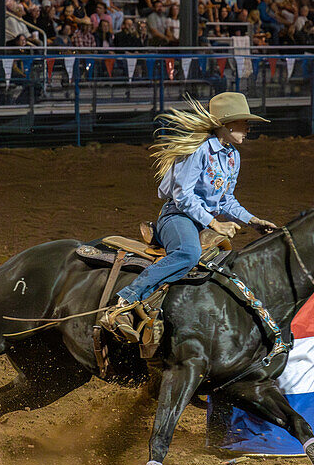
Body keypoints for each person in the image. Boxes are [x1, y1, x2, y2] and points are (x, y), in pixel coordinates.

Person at [99, 92, 277, 341]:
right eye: (244, 122)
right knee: (188, 253)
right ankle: (124, 300)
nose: (248, 127)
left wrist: (252, 220)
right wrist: (215, 223)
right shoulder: (199, 150)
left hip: (199, 221)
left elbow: (226, 200)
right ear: (227, 124)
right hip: (177, 216)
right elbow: (183, 196)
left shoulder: (232, 157)